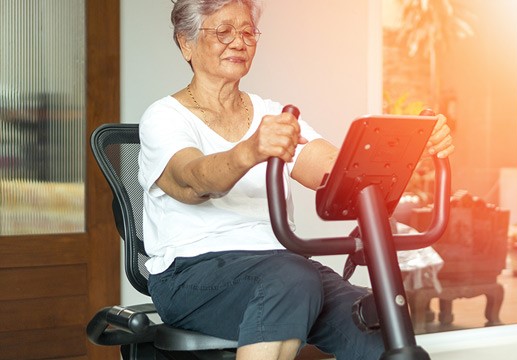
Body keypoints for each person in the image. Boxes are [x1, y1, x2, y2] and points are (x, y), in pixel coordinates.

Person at [138, 1, 455, 359]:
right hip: (193, 274)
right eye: (223, 31)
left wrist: (412, 146)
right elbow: (191, 181)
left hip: (284, 270)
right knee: (292, 278)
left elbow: (340, 173)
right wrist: (250, 151)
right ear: (186, 43)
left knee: (377, 317)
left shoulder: (273, 114)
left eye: (247, 32)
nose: (239, 42)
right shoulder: (164, 118)